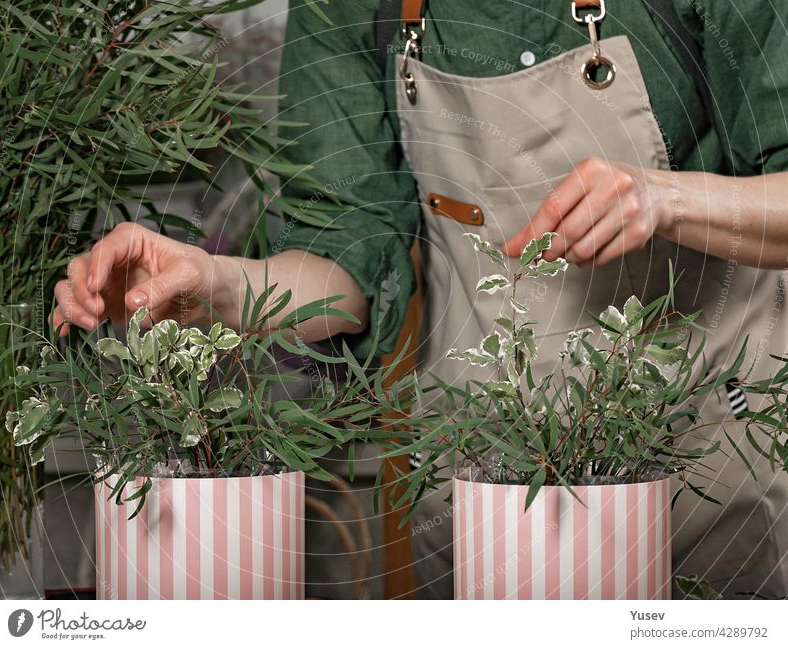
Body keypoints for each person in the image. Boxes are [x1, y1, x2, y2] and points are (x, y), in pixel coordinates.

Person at [54, 0, 788, 598]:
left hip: (713, 492)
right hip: (482, 508)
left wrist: (669, 198)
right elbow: (347, 261)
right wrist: (215, 284)